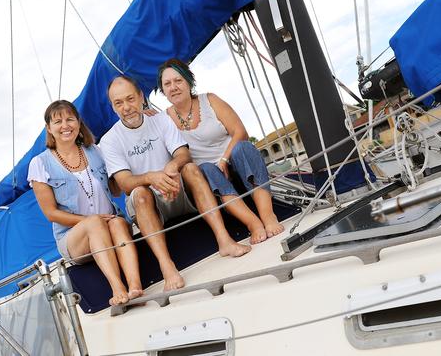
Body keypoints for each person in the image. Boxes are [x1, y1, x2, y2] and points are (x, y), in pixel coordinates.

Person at [99, 75, 251, 291]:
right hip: (149, 204)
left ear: (141, 97)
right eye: (118, 103)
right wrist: (153, 178)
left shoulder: (160, 120)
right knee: (140, 193)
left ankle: (224, 239)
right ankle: (166, 265)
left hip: (177, 189)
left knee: (189, 168)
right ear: (113, 107)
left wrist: (172, 167)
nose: (126, 108)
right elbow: (124, 183)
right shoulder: (109, 140)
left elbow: (183, 154)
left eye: (130, 99)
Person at [157, 58, 284, 244]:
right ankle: (253, 223)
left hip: (234, 159)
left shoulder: (209, 100)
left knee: (243, 148)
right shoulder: (163, 119)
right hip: (209, 175)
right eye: (167, 84)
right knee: (207, 168)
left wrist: (224, 159)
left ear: (188, 81)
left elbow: (240, 132)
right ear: (163, 90)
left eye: (178, 80)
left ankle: (268, 216)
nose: (173, 87)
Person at [28, 100, 142, 306]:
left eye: (70, 119)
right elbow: (51, 214)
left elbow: (116, 188)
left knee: (116, 222)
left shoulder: (96, 151)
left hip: (111, 225)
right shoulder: (40, 163)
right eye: (58, 121)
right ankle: (118, 288)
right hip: (74, 239)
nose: (65, 125)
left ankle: (135, 286)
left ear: (79, 123)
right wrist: (91, 219)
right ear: (49, 128)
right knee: (95, 223)